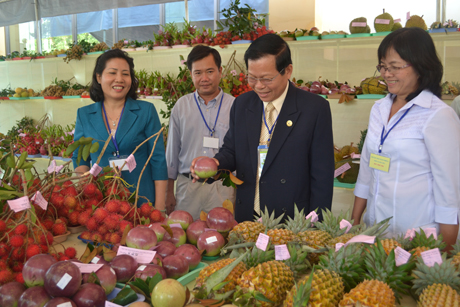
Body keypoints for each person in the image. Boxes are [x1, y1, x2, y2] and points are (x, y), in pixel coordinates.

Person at [191, 33, 335, 222]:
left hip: (291, 221)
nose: (259, 86)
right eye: (252, 78)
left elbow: (322, 177)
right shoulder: (243, 104)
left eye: (267, 79)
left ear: (288, 70)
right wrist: (215, 164)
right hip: (248, 218)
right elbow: (231, 150)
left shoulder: (313, 109)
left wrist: (316, 227)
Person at [351, 27, 460, 249]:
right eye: (382, 66)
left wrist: (448, 252)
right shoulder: (379, 108)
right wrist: (355, 220)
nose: (386, 74)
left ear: (421, 66)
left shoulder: (438, 115)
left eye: (395, 67)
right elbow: (366, 170)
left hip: (417, 236)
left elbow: (448, 190)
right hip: (376, 230)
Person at [72, 49, 168, 210]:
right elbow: (80, 159)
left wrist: (159, 208)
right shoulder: (85, 115)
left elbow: (158, 160)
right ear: (98, 77)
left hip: (142, 200)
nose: (119, 79)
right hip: (103, 203)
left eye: (125, 74)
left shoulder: (146, 111)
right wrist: (86, 188)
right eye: (112, 73)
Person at [165, 45, 236, 219]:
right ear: (190, 74)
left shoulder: (234, 106)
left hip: (223, 188)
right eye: (197, 73)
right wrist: (168, 191)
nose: (204, 78)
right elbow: (172, 151)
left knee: (224, 237)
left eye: (210, 71)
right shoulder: (181, 106)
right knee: (185, 238)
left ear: (220, 71)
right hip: (188, 187)